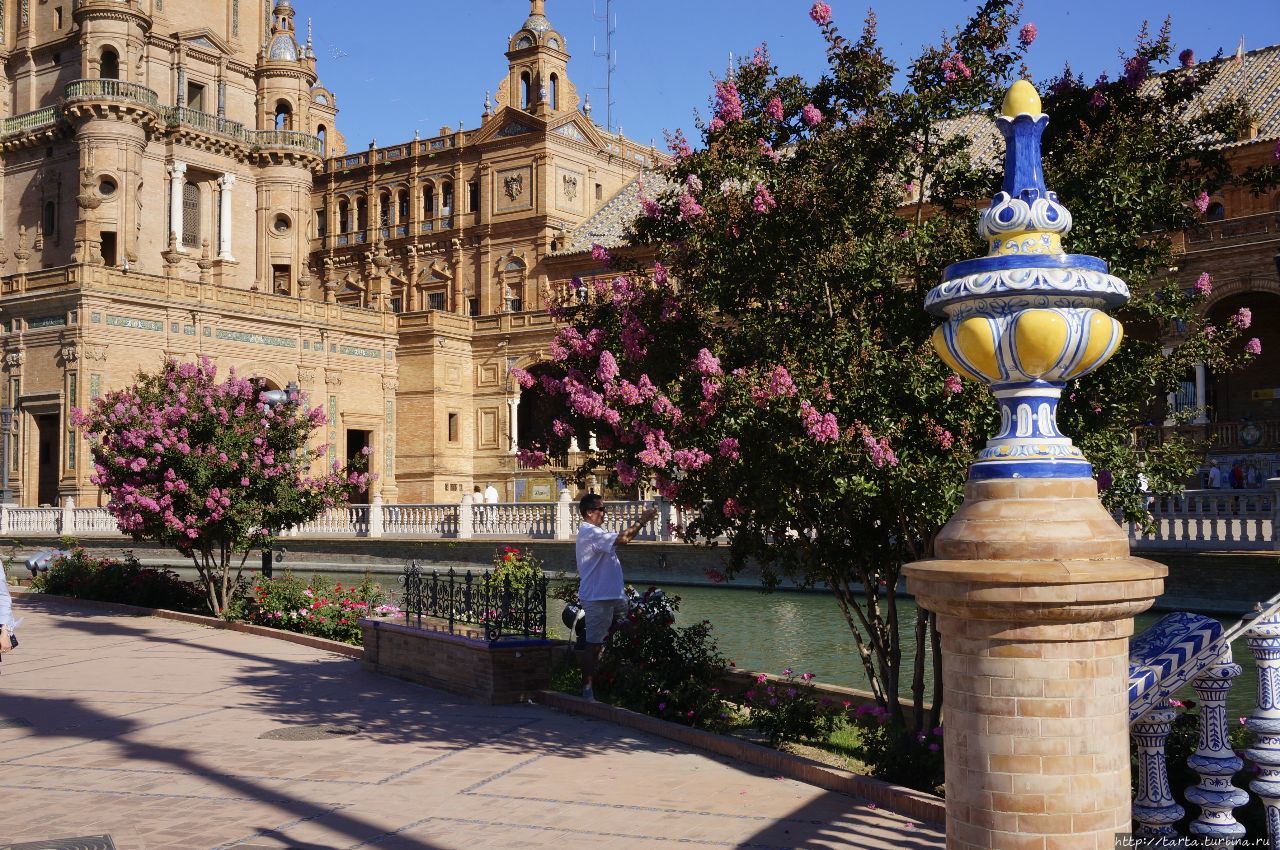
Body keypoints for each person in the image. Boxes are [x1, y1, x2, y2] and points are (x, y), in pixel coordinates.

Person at [575, 493, 657, 701]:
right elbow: (624, 538)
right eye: (601, 509)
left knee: (633, 626)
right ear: (589, 512)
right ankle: (587, 690)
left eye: (605, 509)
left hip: (614, 596)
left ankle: (629, 677)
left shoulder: (597, 533)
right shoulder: (590, 532)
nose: (604, 513)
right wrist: (643, 520)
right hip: (597, 598)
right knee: (593, 645)